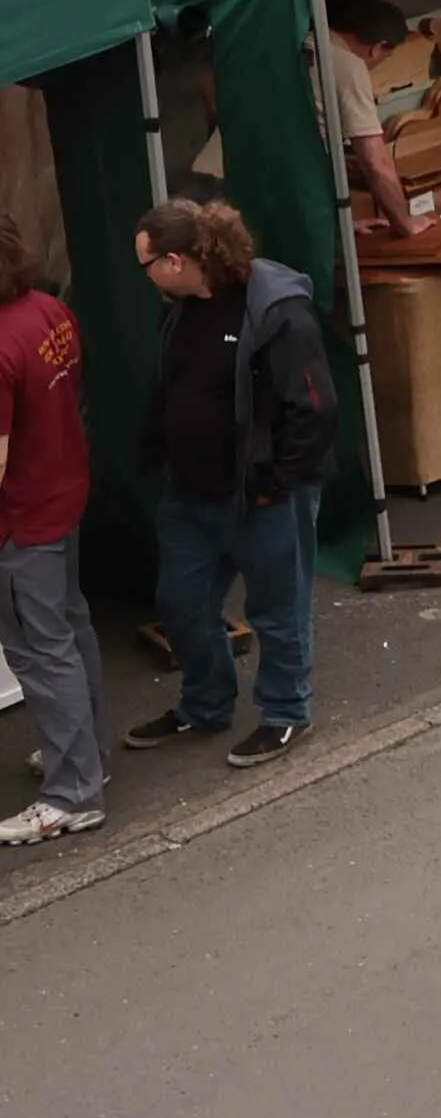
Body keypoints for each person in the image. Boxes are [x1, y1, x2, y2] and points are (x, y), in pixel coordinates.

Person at [129, 199, 332, 766]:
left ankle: (286, 712)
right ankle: (205, 703)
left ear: (175, 261)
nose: (144, 278)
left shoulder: (275, 312)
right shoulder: (181, 308)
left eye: (145, 265)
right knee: (181, 602)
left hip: (259, 497)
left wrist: (275, 482)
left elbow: (314, 408)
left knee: (278, 609)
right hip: (191, 493)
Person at [0, 225, 92, 850]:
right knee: (72, 630)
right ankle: (89, 757)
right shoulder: (49, 310)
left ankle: (72, 795)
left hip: (20, 521)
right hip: (63, 493)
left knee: (39, 649)